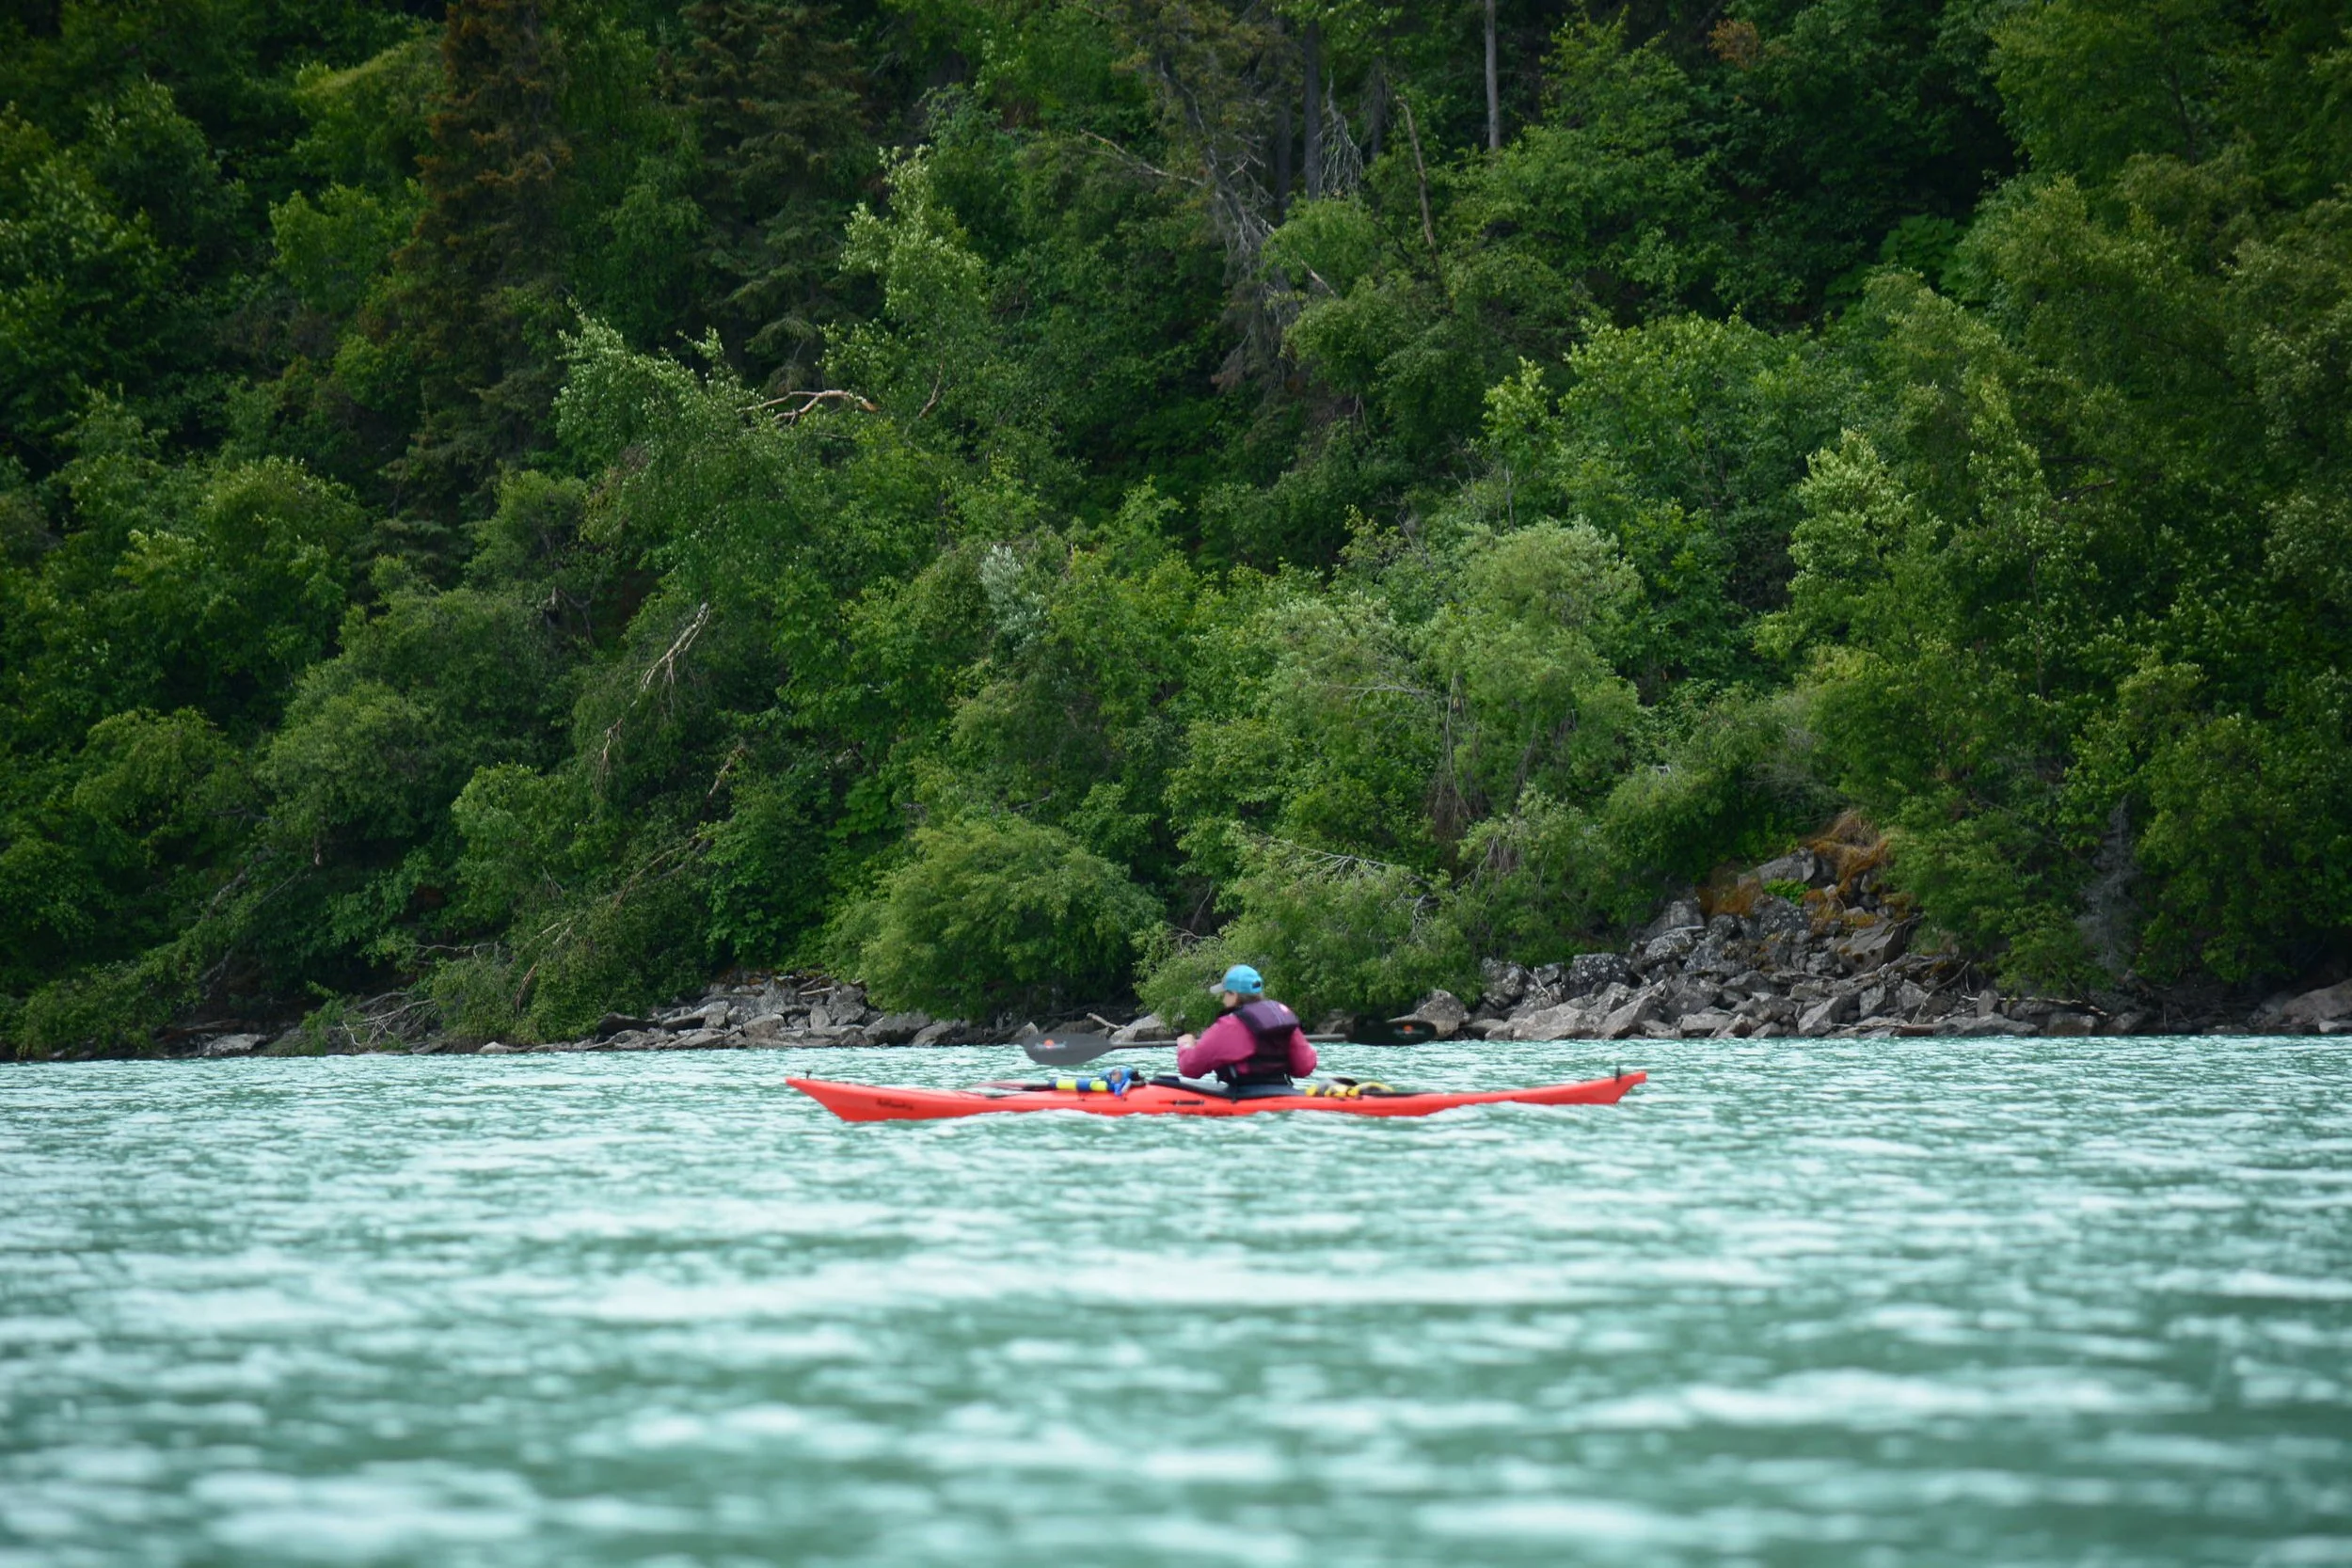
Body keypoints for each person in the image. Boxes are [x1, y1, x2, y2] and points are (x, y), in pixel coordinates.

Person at [1175, 964, 1317, 1088]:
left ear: (1234, 994)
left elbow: (1190, 1067)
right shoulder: (1281, 1015)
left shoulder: (1228, 1025)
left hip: (1244, 1097)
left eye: (1225, 994)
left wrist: (1185, 1046)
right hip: (1282, 1092)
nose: (1223, 1000)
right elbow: (1305, 1066)